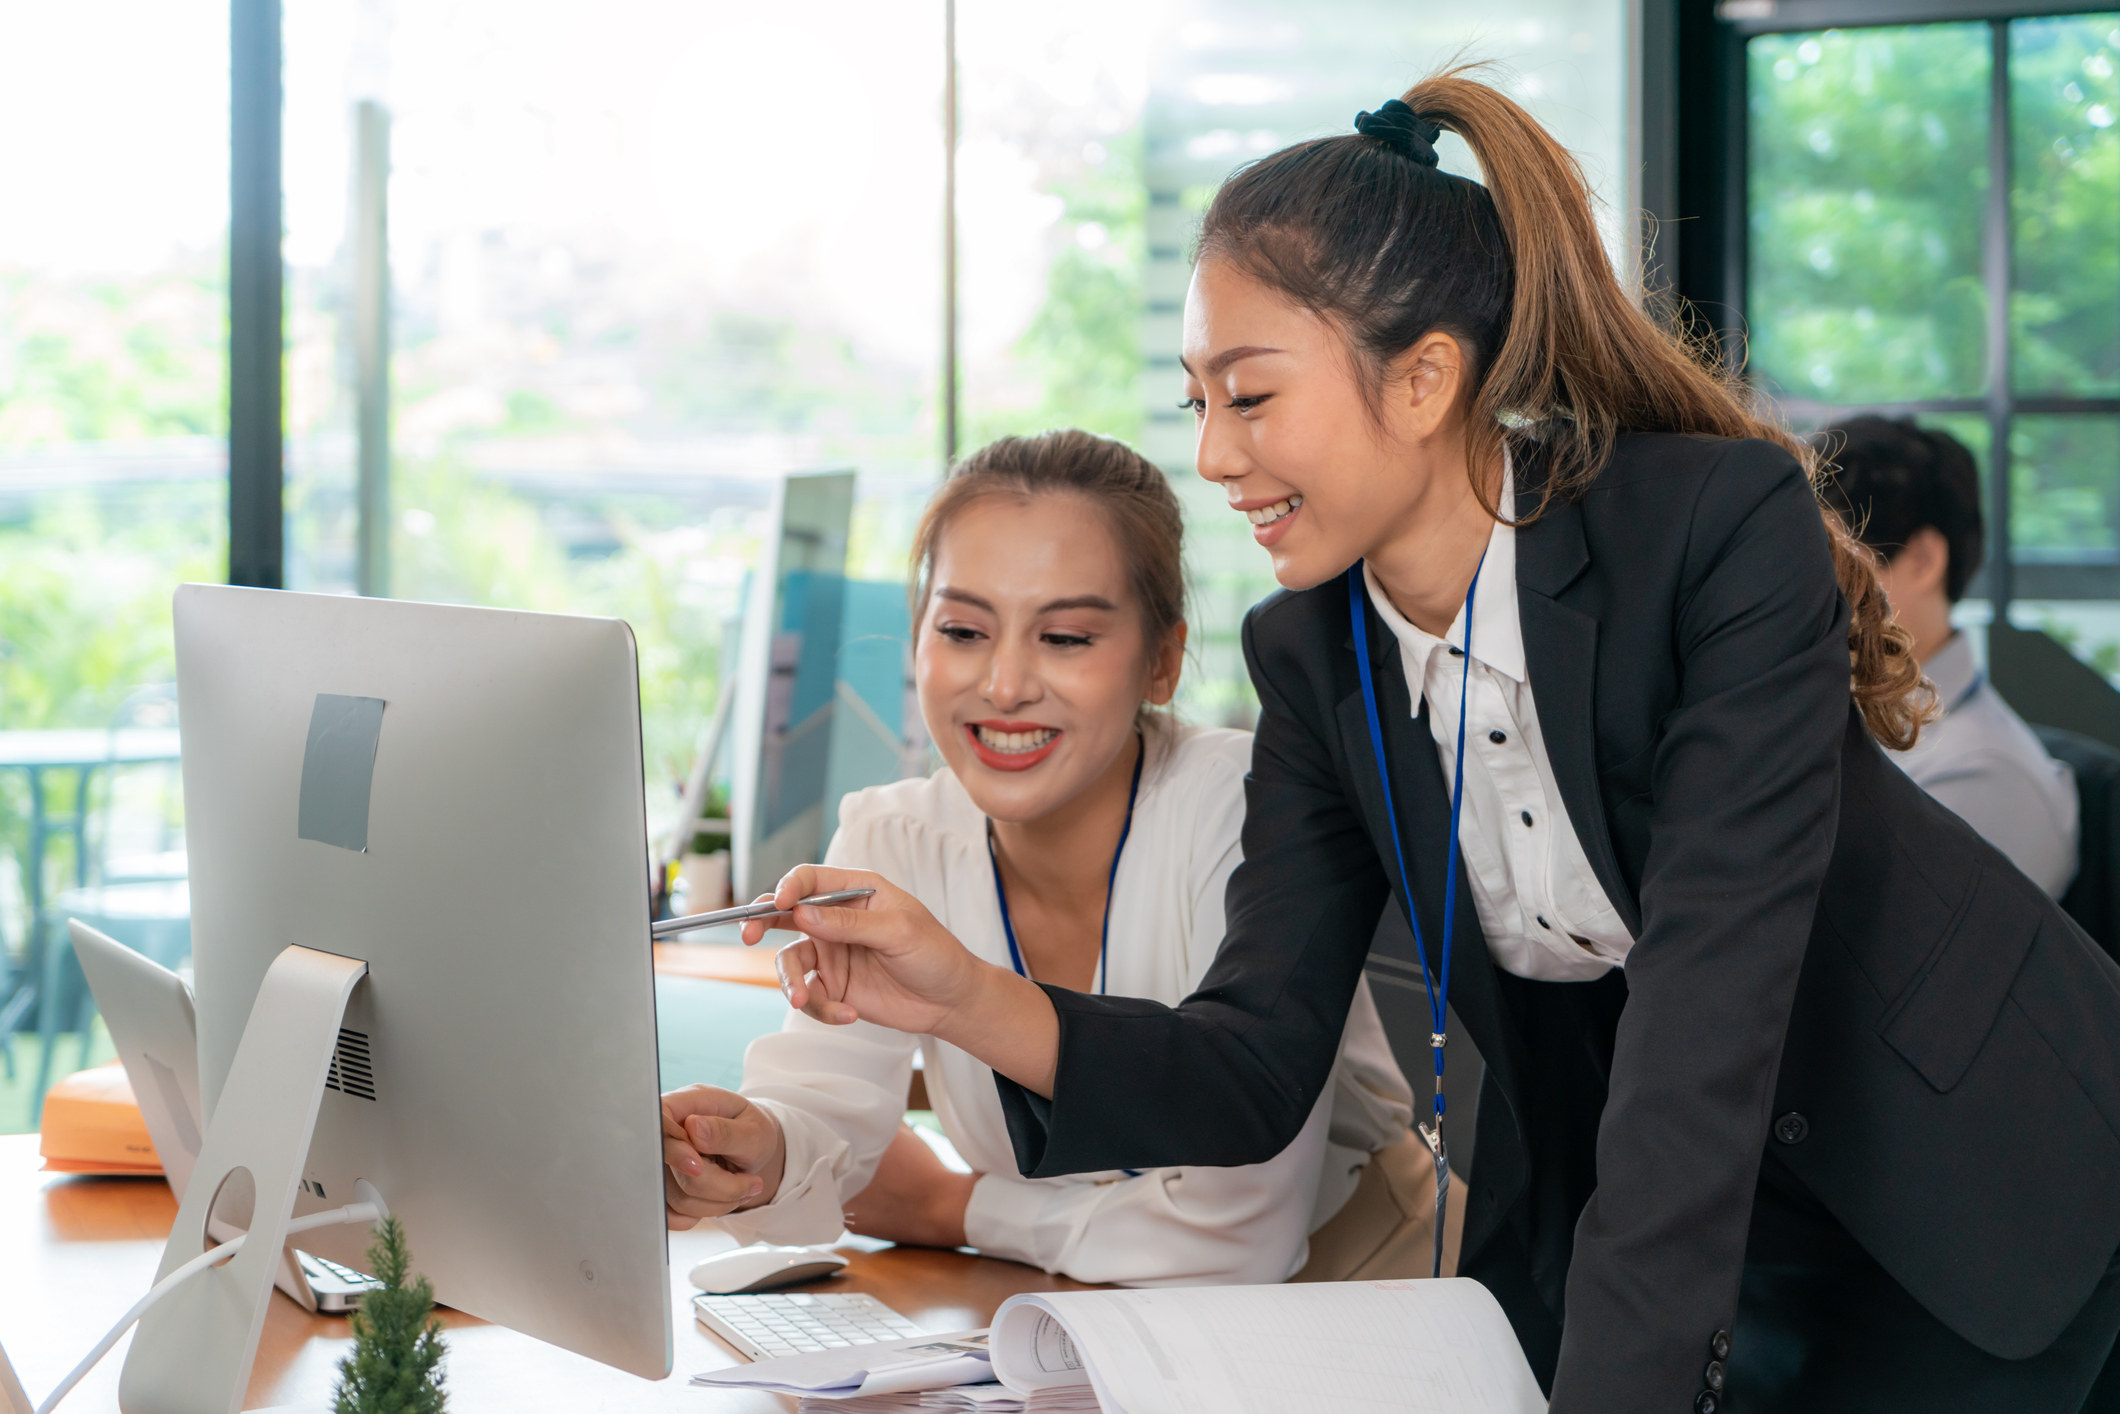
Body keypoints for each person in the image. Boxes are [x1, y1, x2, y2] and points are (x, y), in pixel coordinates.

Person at [744, 73, 2120, 1414]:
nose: (1214, 456)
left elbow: (1708, 1017)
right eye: (1197, 400)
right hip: (1695, 1222)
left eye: (1251, 393)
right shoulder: (1311, 655)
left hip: (1986, 1173)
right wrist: (954, 992)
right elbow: (1249, 1060)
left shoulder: (1707, 530)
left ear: (1423, 382)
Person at [658, 429, 1422, 1288]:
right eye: (963, 630)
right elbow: (830, 1130)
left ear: (1162, 661)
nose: (1006, 684)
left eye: (1064, 638)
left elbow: (1237, 1239)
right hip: (1072, 1308)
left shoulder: (1242, 809)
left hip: (1360, 1286)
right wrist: (754, 1146)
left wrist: (956, 1209)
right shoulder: (891, 837)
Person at [1817, 414, 2078, 896]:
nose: (1803, 592)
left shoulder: (1983, 779)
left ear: (1922, 562)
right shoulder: (1843, 718)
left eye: (1829, 565)